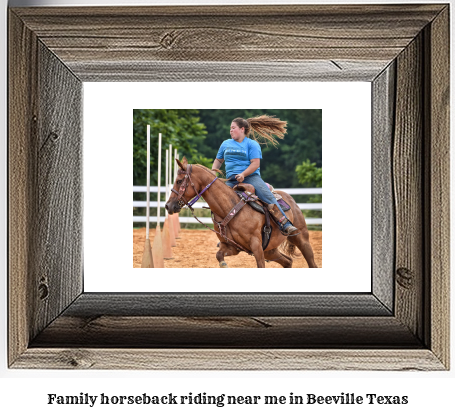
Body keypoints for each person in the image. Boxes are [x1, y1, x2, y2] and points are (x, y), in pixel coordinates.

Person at [211, 115, 298, 235]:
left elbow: (255, 164)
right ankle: (225, 235)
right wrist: (213, 172)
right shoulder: (225, 144)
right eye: (230, 128)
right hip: (230, 180)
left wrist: (243, 174)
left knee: (267, 196)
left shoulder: (252, 144)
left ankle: (285, 223)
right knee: (220, 202)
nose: (230, 130)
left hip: (251, 178)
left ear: (242, 129)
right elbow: (218, 160)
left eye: (233, 128)